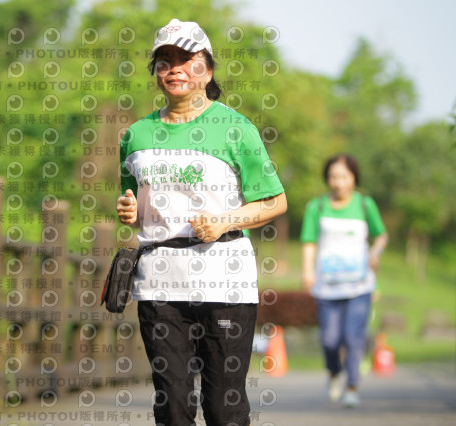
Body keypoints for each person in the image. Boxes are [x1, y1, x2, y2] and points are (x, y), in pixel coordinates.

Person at [116, 18, 287, 426]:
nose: (174, 68)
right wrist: (128, 210)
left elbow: (275, 200)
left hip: (224, 281)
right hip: (159, 284)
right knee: (172, 406)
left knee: (223, 409)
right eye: (165, 60)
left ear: (207, 71)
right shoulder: (136, 136)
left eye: (186, 59)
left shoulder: (236, 129)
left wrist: (225, 219)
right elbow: (135, 208)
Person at [300, 154, 388, 408]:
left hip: (359, 286)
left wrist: (375, 253)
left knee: (353, 337)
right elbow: (309, 241)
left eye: (344, 177)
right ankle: (334, 372)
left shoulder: (365, 205)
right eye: (333, 177)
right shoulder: (316, 206)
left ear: (354, 178)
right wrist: (307, 271)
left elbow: (381, 235)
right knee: (329, 340)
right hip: (327, 286)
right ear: (327, 178)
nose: (339, 182)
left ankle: (352, 386)